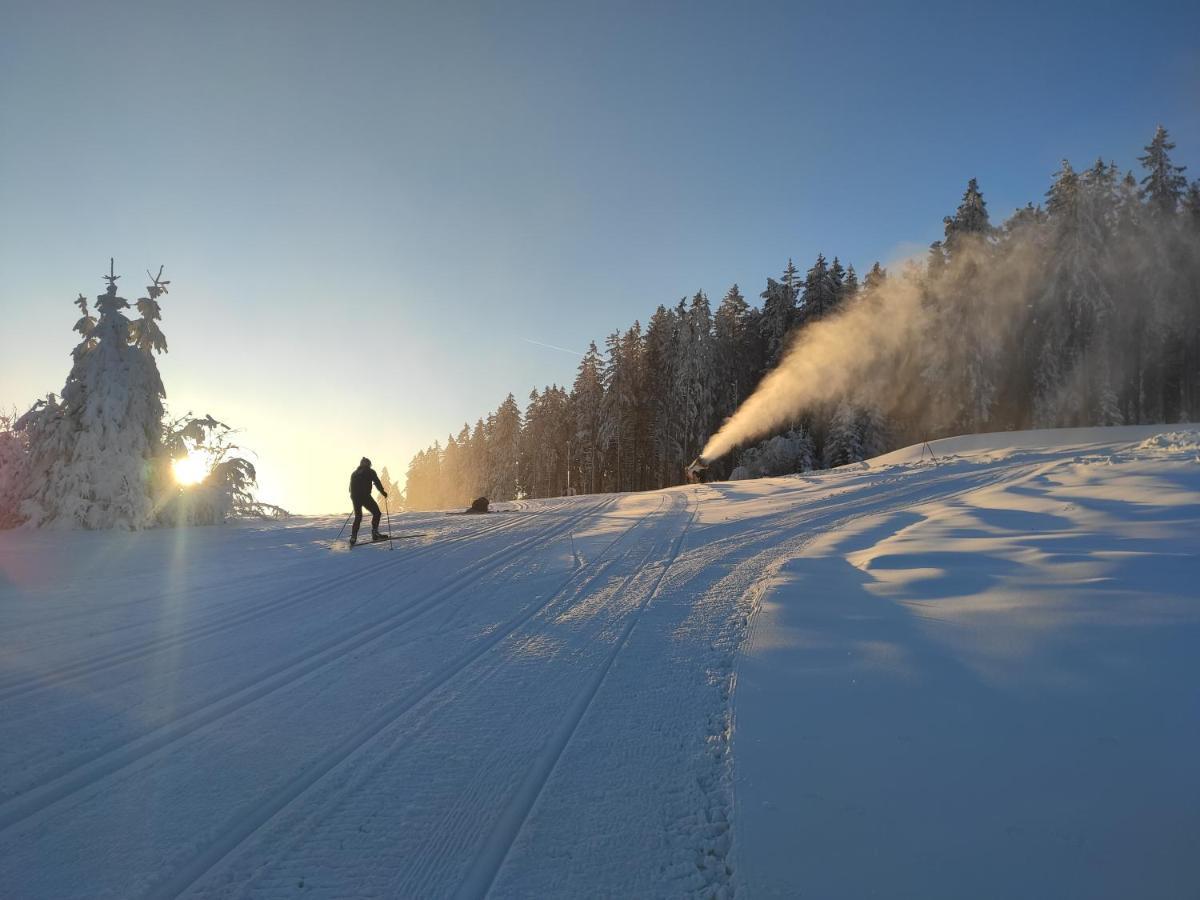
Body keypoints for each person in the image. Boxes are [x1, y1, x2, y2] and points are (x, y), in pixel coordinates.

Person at [348, 457, 387, 545]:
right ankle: (375, 533)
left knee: (358, 516)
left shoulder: (354, 473)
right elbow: (376, 482)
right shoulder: (370, 471)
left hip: (355, 497)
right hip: (365, 497)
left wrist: (354, 499)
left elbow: (350, 488)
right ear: (368, 464)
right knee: (377, 513)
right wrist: (383, 492)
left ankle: (353, 537)